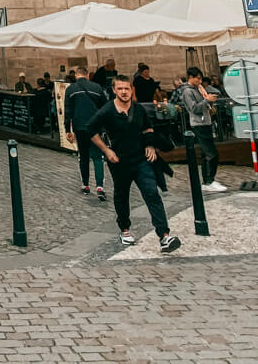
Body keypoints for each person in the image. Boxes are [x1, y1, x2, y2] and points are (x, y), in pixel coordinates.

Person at [89, 76, 181, 253]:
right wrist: (107, 151)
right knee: (122, 196)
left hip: (141, 160)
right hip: (119, 162)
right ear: (114, 90)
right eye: (120, 89)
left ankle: (164, 236)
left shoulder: (138, 109)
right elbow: (90, 131)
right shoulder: (106, 111)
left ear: (131, 90)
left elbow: (148, 128)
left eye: (127, 88)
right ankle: (124, 229)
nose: (124, 92)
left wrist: (150, 144)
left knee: (152, 194)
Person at [64, 67, 107, 200]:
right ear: (87, 75)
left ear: (76, 75)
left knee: (83, 156)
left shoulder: (70, 89)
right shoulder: (97, 88)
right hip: (95, 127)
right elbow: (104, 108)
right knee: (97, 156)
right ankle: (100, 186)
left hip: (79, 127)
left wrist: (67, 130)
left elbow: (68, 111)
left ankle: (86, 185)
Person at [180, 68, 226, 193]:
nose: (200, 81)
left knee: (207, 153)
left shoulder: (198, 89)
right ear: (191, 77)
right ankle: (208, 180)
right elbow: (194, 108)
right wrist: (207, 100)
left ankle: (208, 180)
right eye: (198, 78)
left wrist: (208, 103)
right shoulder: (188, 92)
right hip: (198, 124)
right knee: (211, 153)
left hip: (205, 122)